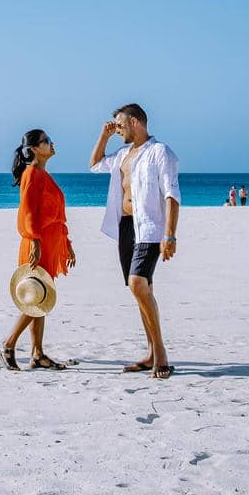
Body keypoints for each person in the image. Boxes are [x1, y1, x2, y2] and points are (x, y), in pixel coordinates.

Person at [90, 103, 180, 380]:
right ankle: (151, 352)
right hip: (126, 227)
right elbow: (94, 165)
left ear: (136, 123)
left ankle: (161, 353)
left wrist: (170, 234)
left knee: (137, 284)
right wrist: (103, 136)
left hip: (150, 229)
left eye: (120, 125)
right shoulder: (122, 155)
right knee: (143, 290)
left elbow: (171, 195)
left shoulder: (160, 152)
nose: (117, 129)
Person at [0, 129, 76, 371]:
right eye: (46, 141)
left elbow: (55, 214)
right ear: (34, 149)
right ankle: (8, 344)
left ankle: (38, 353)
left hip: (49, 241)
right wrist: (34, 240)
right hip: (37, 242)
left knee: (43, 295)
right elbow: (28, 211)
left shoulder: (44, 174)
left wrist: (67, 243)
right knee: (36, 297)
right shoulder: (32, 173)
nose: (52, 143)